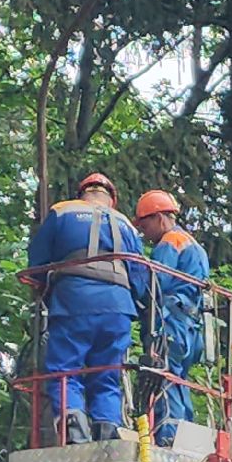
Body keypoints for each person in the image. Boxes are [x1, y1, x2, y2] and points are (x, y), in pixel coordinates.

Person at [27, 172, 150, 443]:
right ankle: (107, 431)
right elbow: (141, 278)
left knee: (65, 369)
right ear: (111, 200)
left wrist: (41, 289)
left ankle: (73, 432)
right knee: (107, 373)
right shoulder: (126, 226)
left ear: (82, 193)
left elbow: (37, 262)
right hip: (118, 308)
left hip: (75, 301)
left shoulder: (62, 211)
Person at [134, 189, 210, 447]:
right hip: (189, 326)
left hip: (172, 322)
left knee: (163, 378)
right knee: (178, 381)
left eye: (145, 225)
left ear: (160, 218)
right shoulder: (193, 245)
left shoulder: (170, 242)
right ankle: (184, 438)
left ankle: (168, 438)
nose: (144, 233)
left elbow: (156, 283)